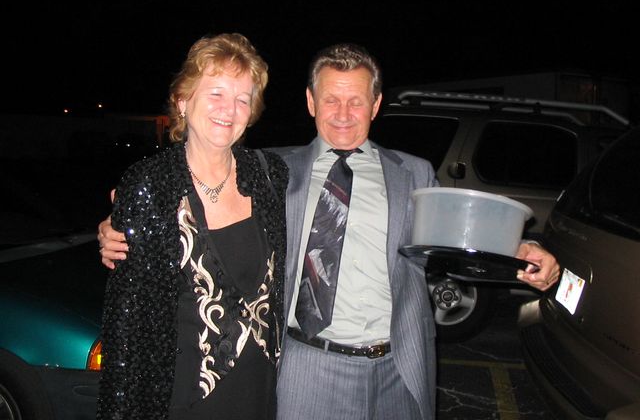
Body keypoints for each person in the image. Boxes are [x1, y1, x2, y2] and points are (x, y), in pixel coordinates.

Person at [99, 43, 560, 420]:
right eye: (331, 99)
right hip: (308, 368)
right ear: (310, 102)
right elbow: (202, 202)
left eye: (356, 100)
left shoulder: (413, 174)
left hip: (397, 370)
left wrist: (520, 249)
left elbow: (459, 234)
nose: (343, 113)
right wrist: (119, 227)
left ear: (376, 105)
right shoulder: (274, 173)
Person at [96, 33, 288, 420]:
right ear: (183, 101)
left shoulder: (270, 176)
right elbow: (127, 322)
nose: (229, 109)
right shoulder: (150, 184)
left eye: (242, 99)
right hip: (183, 398)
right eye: (216, 93)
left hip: (262, 392)